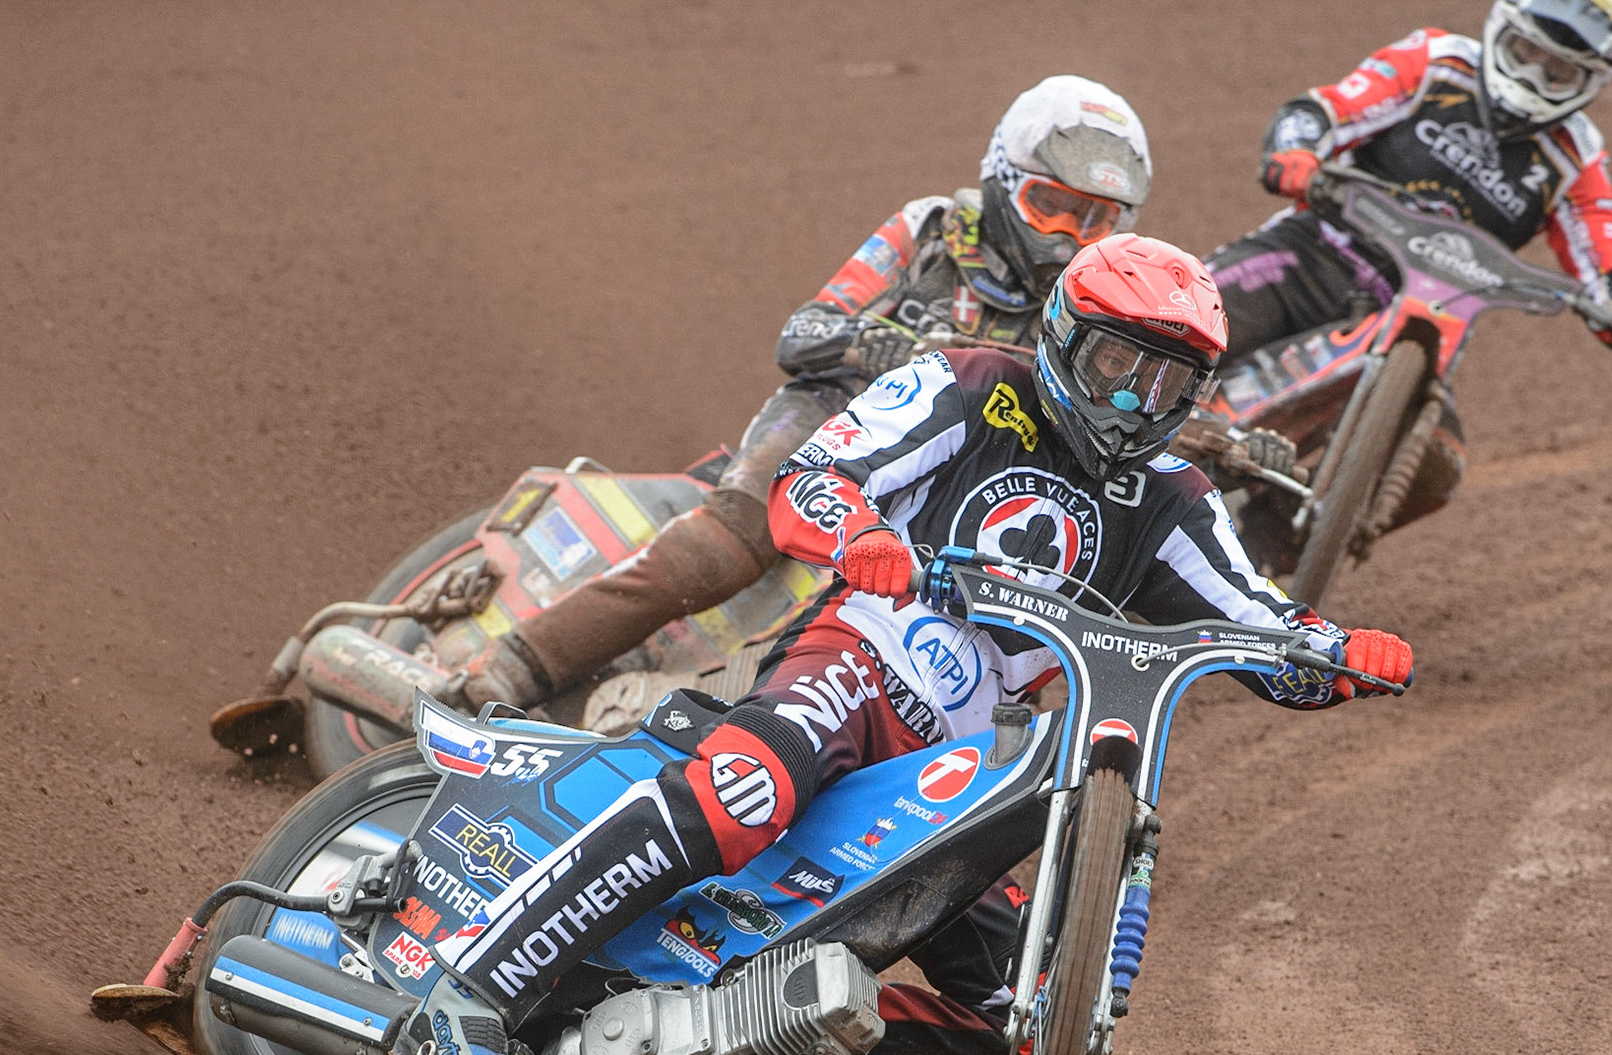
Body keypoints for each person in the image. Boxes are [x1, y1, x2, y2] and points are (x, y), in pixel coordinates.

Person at [404, 235, 1415, 1055]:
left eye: (1166, 385)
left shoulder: (1172, 497)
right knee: (737, 795)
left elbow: (1254, 615)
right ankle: (464, 996)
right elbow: (813, 479)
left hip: (969, 761)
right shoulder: (969, 383)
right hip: (861, 661)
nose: (1133, 403)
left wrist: (1332, 652)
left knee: (1017, 1019)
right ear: (1067, 334)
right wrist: (865, 534)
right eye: (1118, 365)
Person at [461, 74, 1155, 711]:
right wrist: (872, 343)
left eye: (1096, 220)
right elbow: (802, 332)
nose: (1070, 239)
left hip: (952, 478)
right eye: (1053, 208)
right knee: (731, 543)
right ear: (1004, 181)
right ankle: (520, 663)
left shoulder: (1089, 308)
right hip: (839, 420)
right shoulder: (930, 232)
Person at [1206, 0, 1612, 533]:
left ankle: (1273, 553)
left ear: (1592, 81)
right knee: (1183, 318)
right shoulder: (1437, 63)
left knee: (1432, 466)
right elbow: (1328, 109)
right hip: (1314, 256)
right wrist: (1298, 150)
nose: (1535, 74)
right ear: (1500, 30)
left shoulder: (1574, 156)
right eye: (1527, 52)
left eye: (1558, 71)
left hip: (1423, 326)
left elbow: (1604, 244)